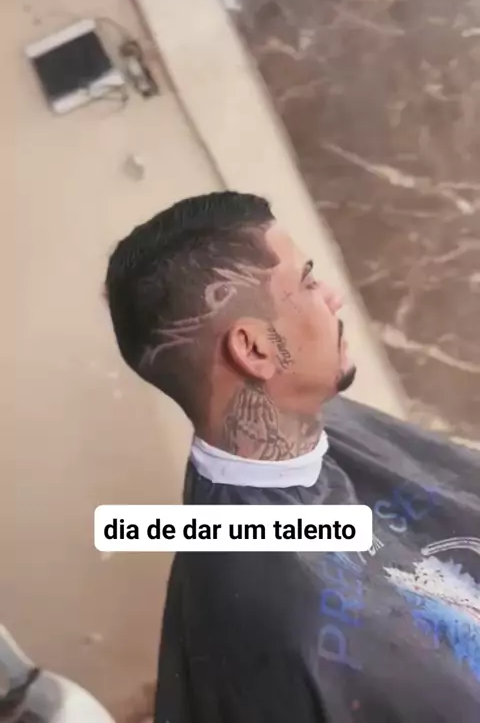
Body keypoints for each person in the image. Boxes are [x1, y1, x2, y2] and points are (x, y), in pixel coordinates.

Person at [105, 191, 480, 723]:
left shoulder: (328, 424)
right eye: (306, 282)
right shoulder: (270, 620)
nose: (332, 297)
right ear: (254, 349)